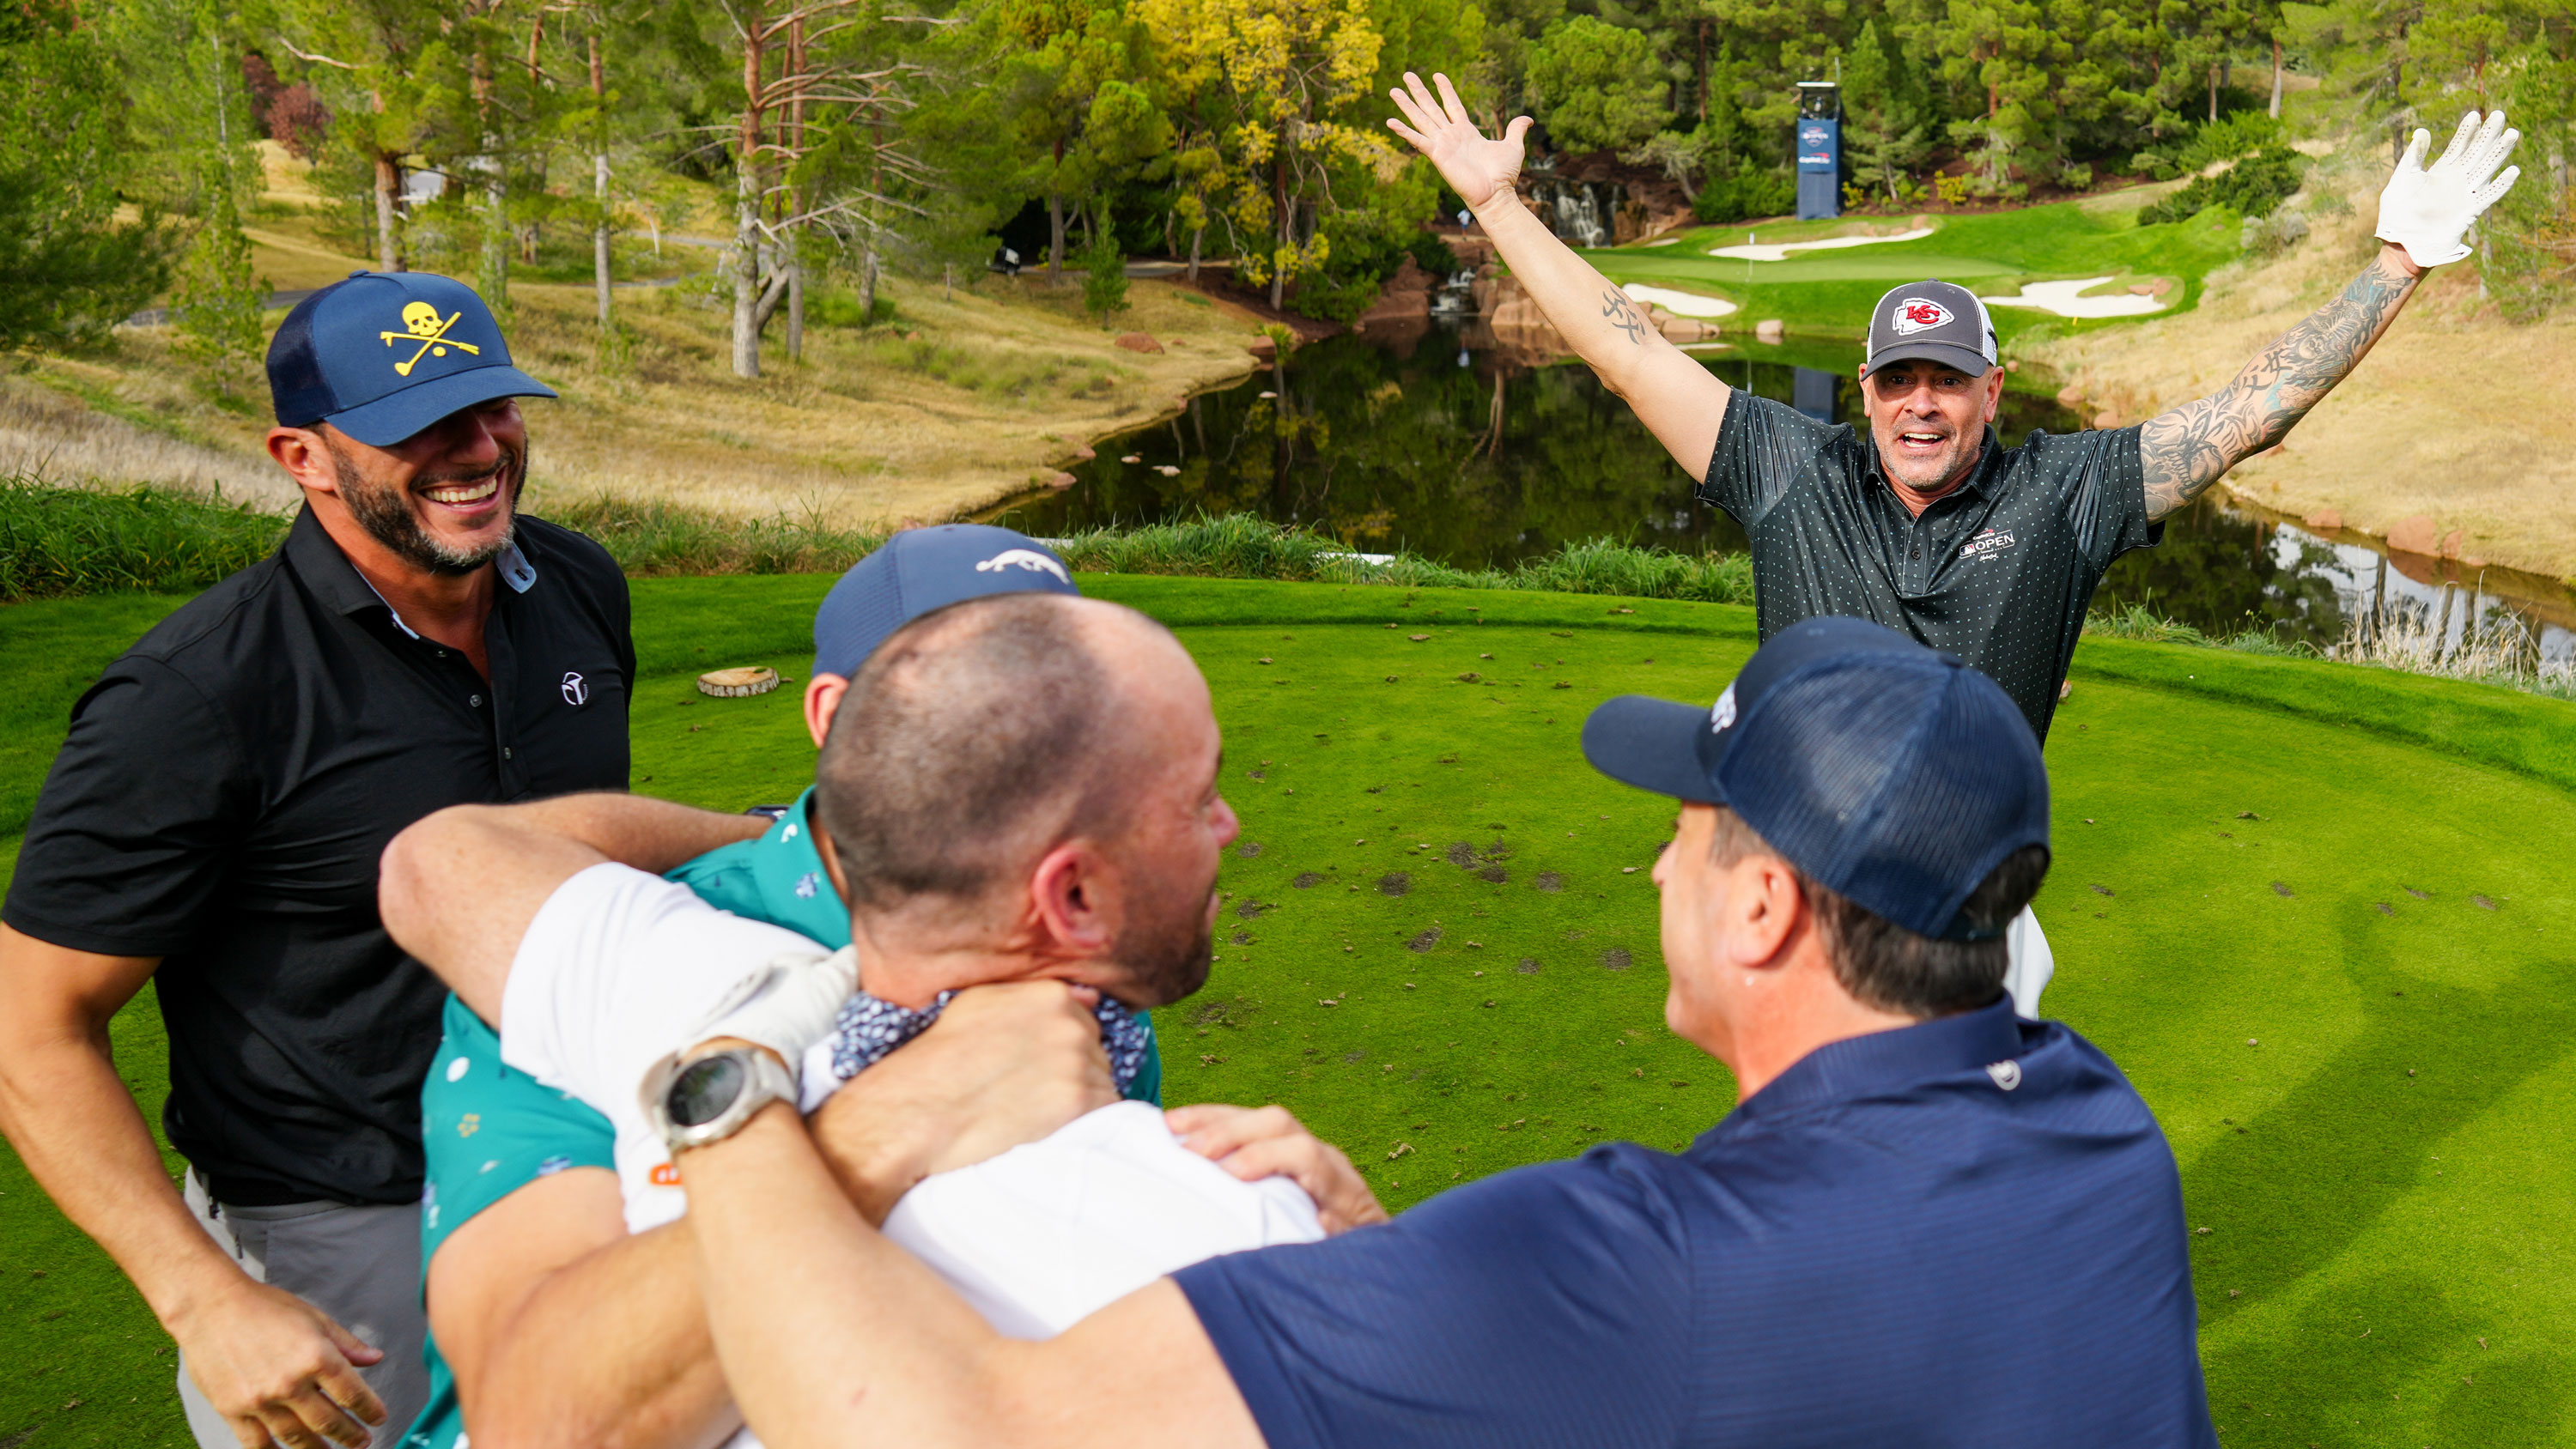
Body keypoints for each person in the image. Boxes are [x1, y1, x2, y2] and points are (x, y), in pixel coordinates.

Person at [620, 615, 2219, 1447]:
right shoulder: (2095, 1124)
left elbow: (925, 1425)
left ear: (1763, 910)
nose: (1655, 856)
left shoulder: (1626, 1265)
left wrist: (740, 1102)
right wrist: (1386, 1253)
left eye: (1688, 825)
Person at [1385, 81, 2518, 1016]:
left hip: (1975, 927)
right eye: (1897, 381)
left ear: (1991, 389)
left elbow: (2250, 413)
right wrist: (1498, 205)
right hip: (1803, 906)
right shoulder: (1789, 469)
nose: (1919, 407)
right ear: (1867, 389)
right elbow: (1626, 350)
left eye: (1946, 383)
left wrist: (2396, 268)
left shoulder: (2068, 490)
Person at [377, 592, 1383, 1440]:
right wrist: (1380, 1265)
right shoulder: (1237, 1228)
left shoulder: (713, 985)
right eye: (1200, 797)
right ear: (1069, 900)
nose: (1229, 825)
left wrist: (879, 830)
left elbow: (431, 863)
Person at [0, 271, 627, 1449]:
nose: (476, 448)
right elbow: (28, 1026)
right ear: (303, 456)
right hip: (345, 1233)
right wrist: (207, 1302)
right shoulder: (194, 699)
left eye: (493, 405)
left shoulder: (579, 587)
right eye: (417, 426)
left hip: (574, 1162)